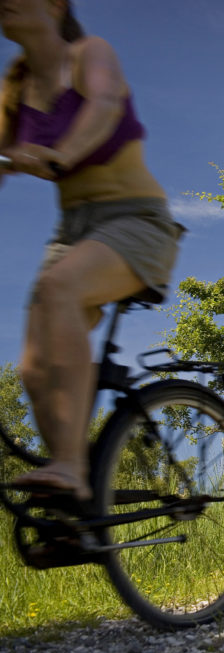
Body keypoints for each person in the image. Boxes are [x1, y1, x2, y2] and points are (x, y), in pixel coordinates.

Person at [1, 0, 184, 501]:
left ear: (55, 5)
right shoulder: (14, 89)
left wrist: (62, 152)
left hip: (135, 220)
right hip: (72, 233)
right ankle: (76, 500)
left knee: (60, 288)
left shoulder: (88, 54)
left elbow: (103, 105)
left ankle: (69, 468)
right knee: (34, 368)